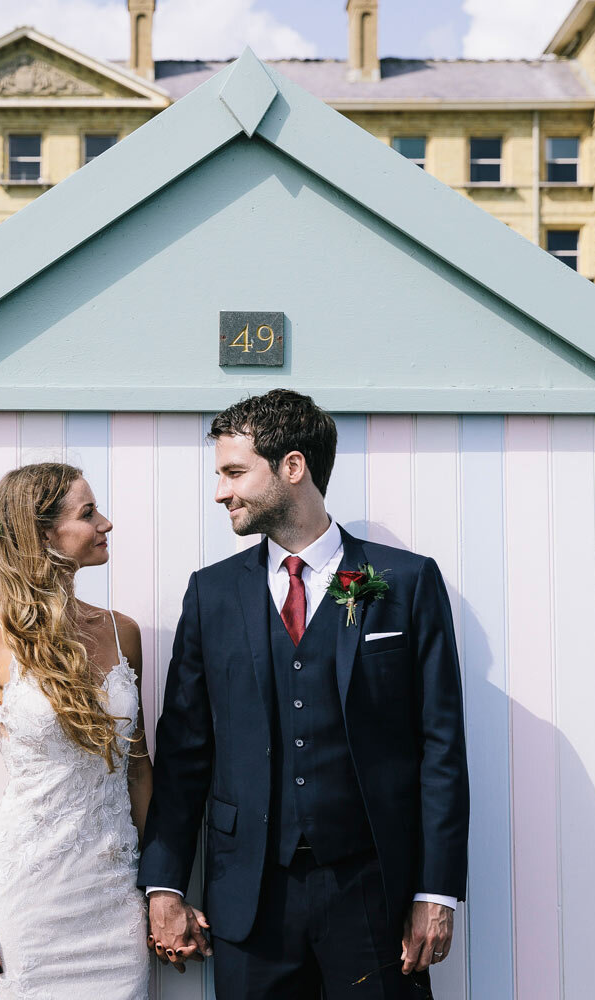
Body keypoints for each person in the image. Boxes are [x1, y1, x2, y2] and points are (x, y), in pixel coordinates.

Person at [140, 389, 469, 998]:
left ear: (293, 467)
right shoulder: (211, 595)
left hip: (376, 896)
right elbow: (185, 749)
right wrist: (164, 885)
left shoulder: (405, 581)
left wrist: (436, 890)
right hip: (249, 899)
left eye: (235, 472)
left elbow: (440, 745)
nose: (221, 492)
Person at [0, 462, 152, 1000]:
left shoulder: (121, 632)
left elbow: (138, 770)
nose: (105, 523)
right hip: (27, 900)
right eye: (88, 514)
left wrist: (158, 888)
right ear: (42, 535)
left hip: (113, 894)